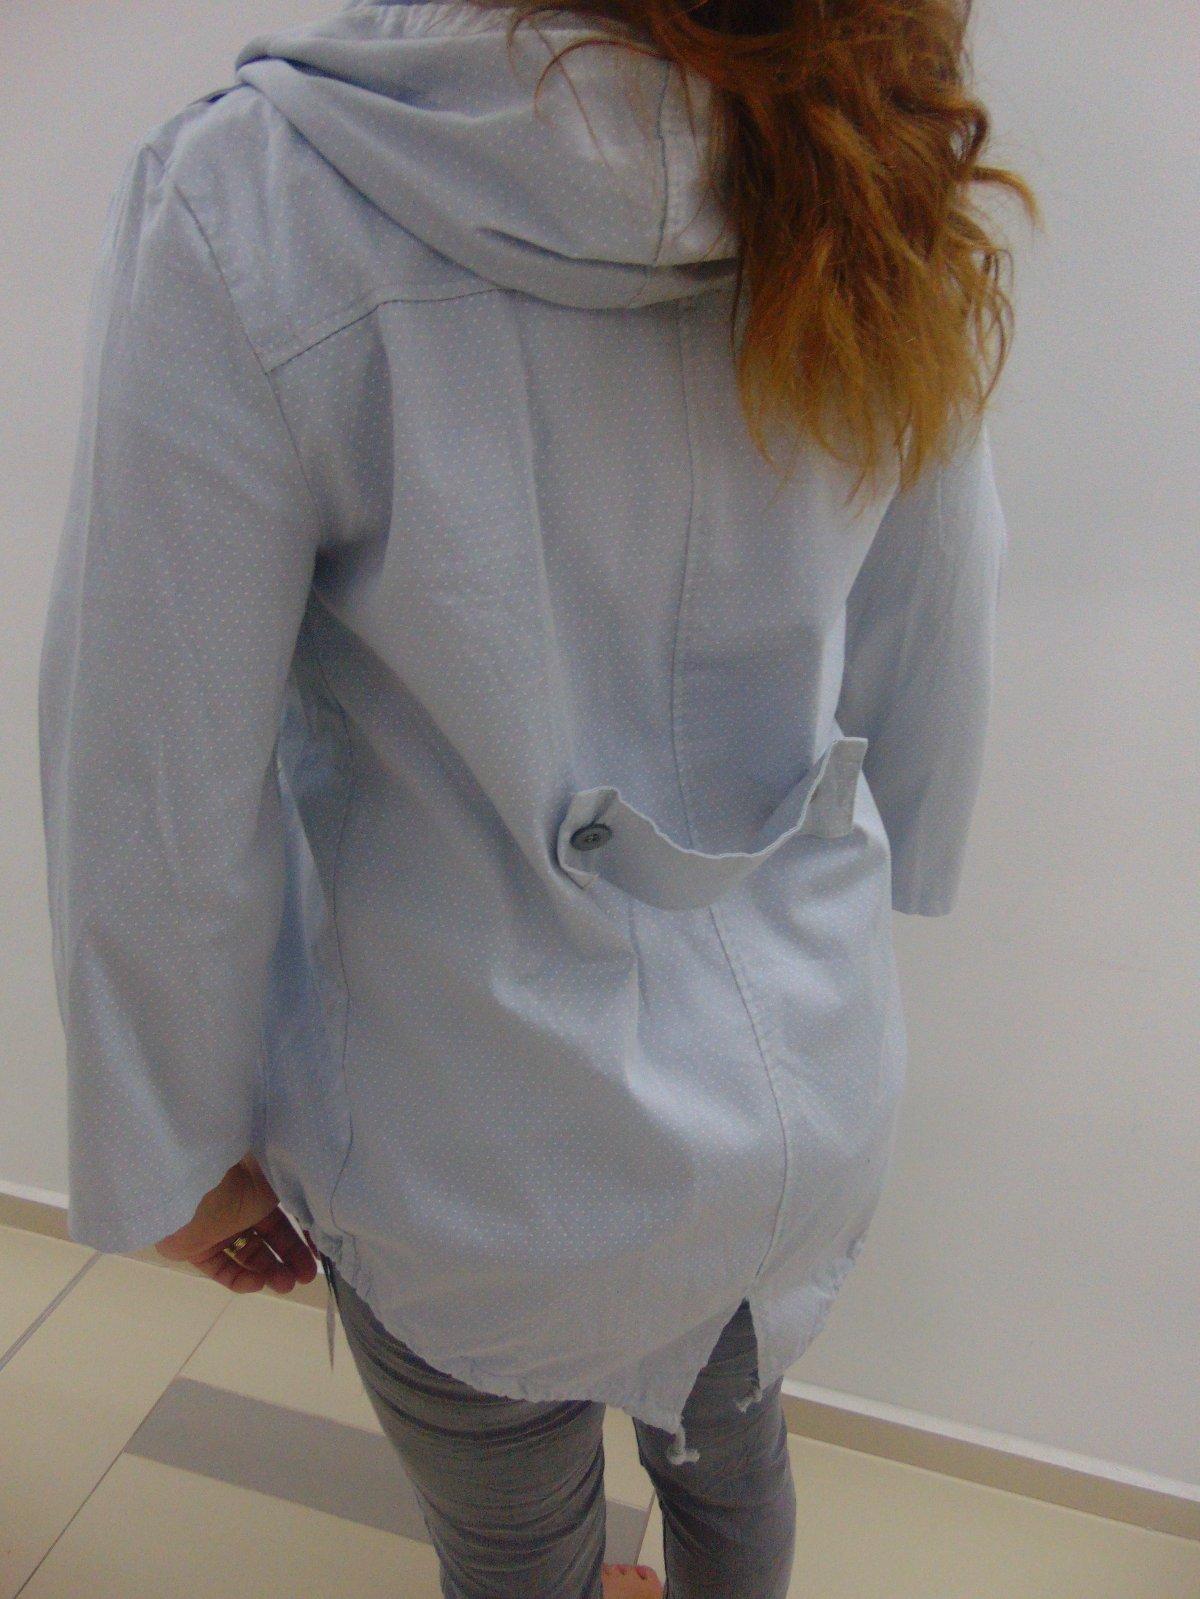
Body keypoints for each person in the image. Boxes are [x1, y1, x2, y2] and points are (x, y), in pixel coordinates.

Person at [37, 1, 1039, 1594]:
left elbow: (154, 756)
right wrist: (906, 844)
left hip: (463, 1137)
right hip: (793, 1085)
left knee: (517, 1546)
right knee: (736, 1459)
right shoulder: (871, 125)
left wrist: (172, 1137)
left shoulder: (259, 201)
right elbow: (944, 591)